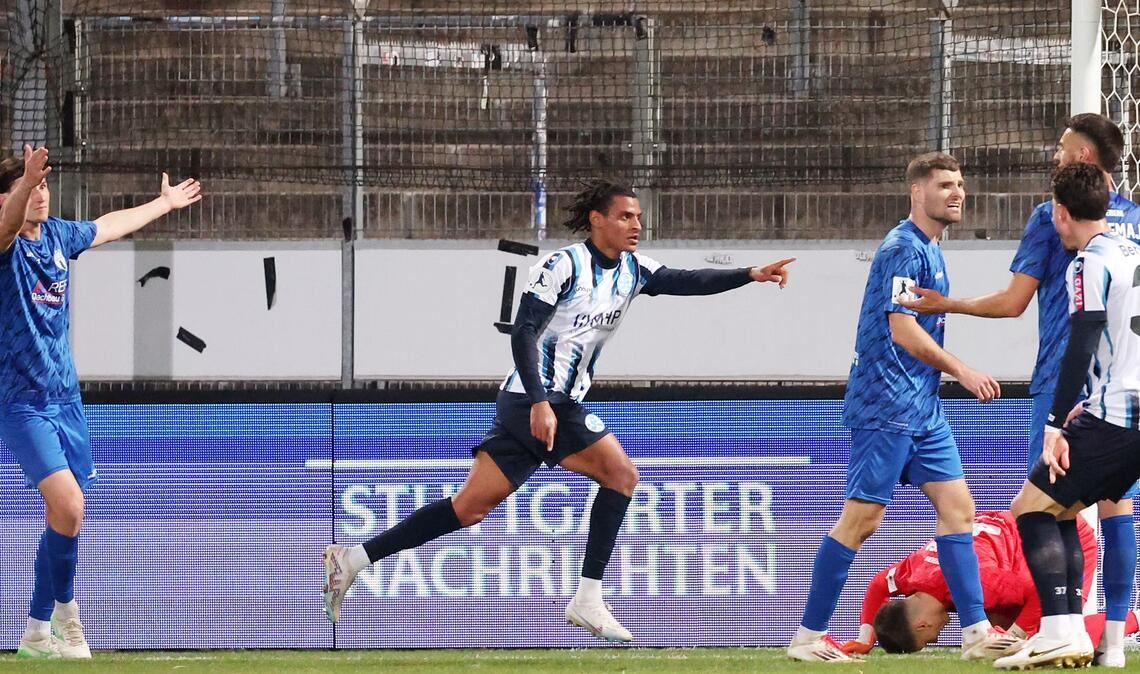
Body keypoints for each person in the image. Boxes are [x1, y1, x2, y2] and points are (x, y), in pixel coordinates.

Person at [321, 178, 796, 642]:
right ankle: (588, 600)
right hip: (539, 400)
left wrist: (749, 274)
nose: (636, 225)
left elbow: (686, 281)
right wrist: (541, 402)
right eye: (625, 216)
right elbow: (524, 332)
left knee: (468, 508)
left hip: (542, 403)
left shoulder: (634, 269)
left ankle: (355, 559)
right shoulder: (563, 266)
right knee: (621, 476)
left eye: (639, 217)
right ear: (597, 220)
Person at [898, 113, 1140, 667]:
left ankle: (1060, 627)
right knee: (1113, 510)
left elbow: (1016, 304)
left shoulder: (1067, 234)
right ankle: (1108, 641)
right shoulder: (1136, 228)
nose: (1055, 155)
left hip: (1077, 390)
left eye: (1062, 148)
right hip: (1124, 397)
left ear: (1080, 163)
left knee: (1039, 509)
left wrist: (944, 304)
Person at [787, 152, 1022, 663]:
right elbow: (902, 328)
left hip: (922, 406)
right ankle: (808, 637)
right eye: (945, 185)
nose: (957, 193)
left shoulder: (932, 249)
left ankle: (977, 630)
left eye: (960, 184)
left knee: (959, 511)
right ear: (917, 192)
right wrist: (962, 369)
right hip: (887, 402)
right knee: (863, 519)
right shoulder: (902, 248)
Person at [1, 145, 202, 659]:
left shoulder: (58, 236)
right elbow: (5, 223)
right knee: (69, 504)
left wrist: (162, 205)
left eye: (45, 185)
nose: (40, 193)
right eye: (30, 186)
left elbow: (109, 225)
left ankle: (34, 634)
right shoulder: (6, 246)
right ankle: (70, 620)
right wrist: (22, 181)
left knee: (64, 517)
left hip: (66, 399)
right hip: (22, 403)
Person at [993, 163, 1140, 669]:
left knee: (1030, 509)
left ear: (1060, 213)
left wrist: (1056, 424)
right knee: (1065, 510)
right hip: (1128, 411)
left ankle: (1061, 629)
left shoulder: (1086, 263)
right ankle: (1078, 632)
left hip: (1117, 415)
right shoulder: (1133, 252)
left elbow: (1083, 337)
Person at [840, 510, 1130, 655]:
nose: (940, 637)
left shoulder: (980, 583)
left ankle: (1134, 619)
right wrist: (867, 638)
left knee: (1057, 635)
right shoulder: (912, 573)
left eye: (930, 639)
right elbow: (879, 584)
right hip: (1016, 539)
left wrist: (1016, 638)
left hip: (1063, 536)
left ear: (921, 625)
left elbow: (1039, 593)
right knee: (995, 628)